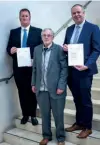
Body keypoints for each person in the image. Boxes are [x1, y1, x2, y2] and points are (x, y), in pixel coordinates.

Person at [63, 4, 100, 138]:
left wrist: (87, 65)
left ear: (84, 13)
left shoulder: (93, 28)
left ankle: (87, 127)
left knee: (85, 99)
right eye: (74, 13)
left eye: (78, 12)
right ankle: (79, 122)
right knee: (76, 98)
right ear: (72, 15)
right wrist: (65, 47)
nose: (76, 15)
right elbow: (65, 46)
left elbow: (97, 50)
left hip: (84, 71)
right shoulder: (69, 29)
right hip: (71, 71)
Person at [31, 28, 67, 145]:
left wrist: (61, 85)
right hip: (41, 89)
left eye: (49, 35)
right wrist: (33, 83)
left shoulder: (59, 49)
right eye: (44, 35)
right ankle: (46, 136)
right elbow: (34, 69)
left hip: (57, 89)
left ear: (53, 37)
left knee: (58, 115)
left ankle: (61, 138)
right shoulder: (37, 50)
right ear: (42, 37)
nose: (46, 37)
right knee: (45, 114)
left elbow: (64, 69)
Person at [7, 8, 42, 125]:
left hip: (32, 68)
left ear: (29, 17)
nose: (24, 18)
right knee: (22, 92)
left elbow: (41, 49)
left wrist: (35, 59)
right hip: (19, 68)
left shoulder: (38, 32)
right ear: (20, 18)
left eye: (26, 16)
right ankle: (25, 114)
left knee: (32, 91)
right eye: (22, 16)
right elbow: (8, 48)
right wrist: (11, 50)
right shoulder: (14, 32)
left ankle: (33, 115)